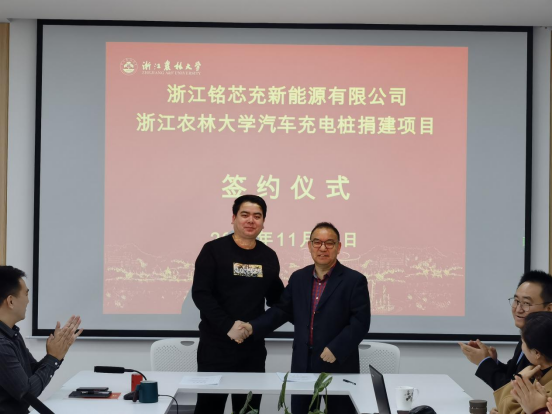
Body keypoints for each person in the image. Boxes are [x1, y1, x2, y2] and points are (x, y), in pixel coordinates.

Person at [242, 222, 371, 414]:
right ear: (310, 246)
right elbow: (281, 310)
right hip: (302, 363)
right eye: (317, 242)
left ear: (338, 247)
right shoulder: (298, 278)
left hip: (337, 363)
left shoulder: (354, 280)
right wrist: (252, 327)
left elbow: (360, 322)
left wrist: (336, 348)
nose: (323, 248)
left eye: (329, 243)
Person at [191, 195, 284, 414]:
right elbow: (201, 294)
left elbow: (278, 300)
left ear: (263, 222)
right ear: (233, 218)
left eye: (257, 216)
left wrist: (254, 327)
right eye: (245, 215)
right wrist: (229, 327)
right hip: (215, 348)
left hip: (252, 351)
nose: (251, 220)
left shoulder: (268, 256)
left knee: (248, 410)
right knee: (208, 409)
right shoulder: (213, 250)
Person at [0, 266, 83, 414]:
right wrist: (53, 358)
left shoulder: (12, 335)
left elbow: (31, 375)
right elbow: (28, 393)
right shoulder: (2, 345)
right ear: (10, 301)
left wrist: (56, 354)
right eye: (26, 294)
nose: (28, 301)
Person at [459, 271, 552, 391]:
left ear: (549, 308)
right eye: (516, 301)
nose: (518, 309)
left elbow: (517, 391)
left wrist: (484, 362)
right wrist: (492, 361)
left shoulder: (545, 343)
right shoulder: (528, 333)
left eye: (526, 303)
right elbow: (515, 374)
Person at [493, 311, 552, 414]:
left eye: (523, 342)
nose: (522, 347)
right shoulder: (540, 372)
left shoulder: (547, 388)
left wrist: (518, 378)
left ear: (537, 353)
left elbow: (509, 410)